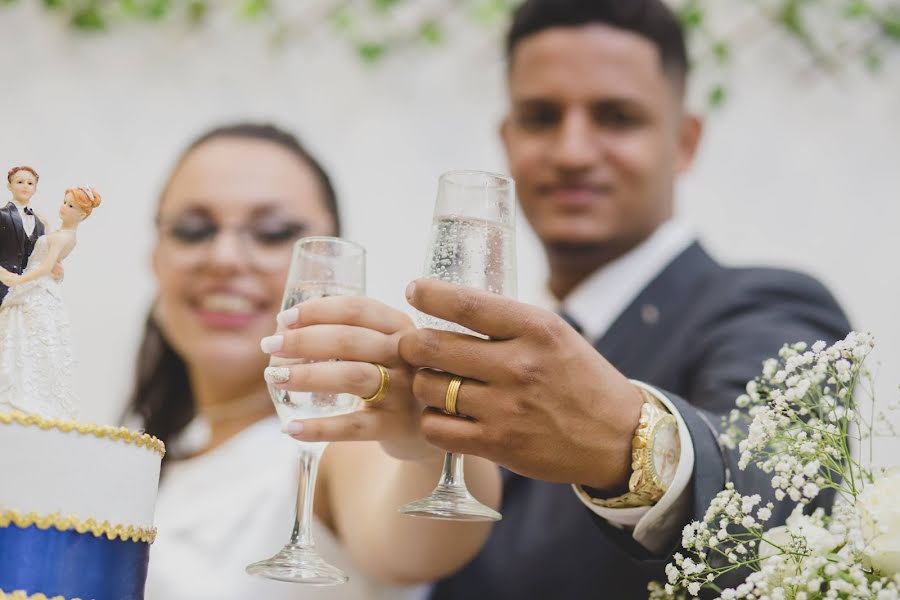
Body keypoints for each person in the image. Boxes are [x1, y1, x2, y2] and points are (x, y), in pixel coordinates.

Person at [270, 1, 852, 597]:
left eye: (617, 117)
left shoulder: (767, 307)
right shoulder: (470, 351)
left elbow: (778, 499)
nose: (573, 151)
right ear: (508, 138)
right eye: (541, 116)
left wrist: (630, 442)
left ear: (684, 140)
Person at [127, 123, 500, 600]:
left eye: (272, 233)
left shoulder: (339, 440)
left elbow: (418, 545)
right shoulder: (159, 460)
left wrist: (425, 443)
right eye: (193, 230)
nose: (223, 258)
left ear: (328, 268)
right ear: (155, 257)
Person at [0, 186, 102, 420]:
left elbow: (46, 266)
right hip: (38, 285)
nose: (64, 208)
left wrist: (18, 279)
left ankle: (23, 390)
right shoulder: (60, 232)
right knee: (24, 334)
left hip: (35, 285)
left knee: (28, 334)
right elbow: (51, 258)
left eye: (71, 206)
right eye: (65, 203)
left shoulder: (64, 237)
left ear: (82, 215)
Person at [1, 166, 47, 306]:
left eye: (30, 183)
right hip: (2, 285)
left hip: (26, 292)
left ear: (35, 189)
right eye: (20, 182)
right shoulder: (2, 215)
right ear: (9, 185)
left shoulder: (40, 223)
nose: (25, 186)